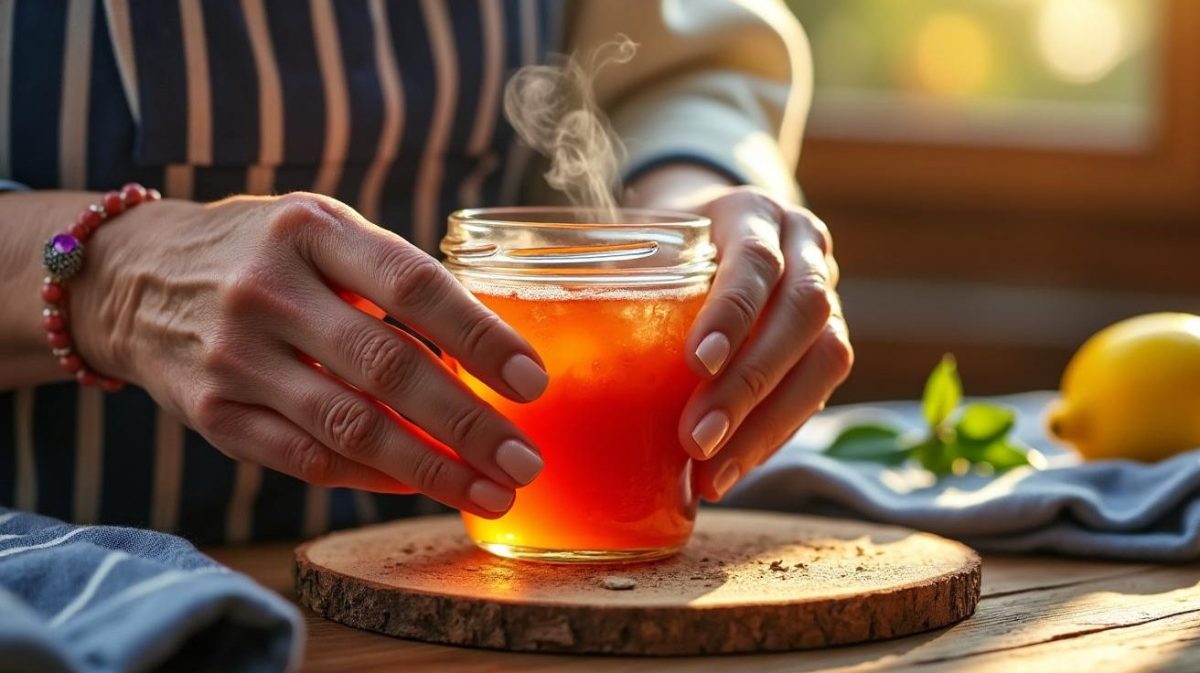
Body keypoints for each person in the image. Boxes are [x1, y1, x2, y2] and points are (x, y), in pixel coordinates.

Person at [0, 0, 851, 544]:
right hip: (55, 584)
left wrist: (692, 205)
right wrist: (106, 276)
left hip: (448, 579)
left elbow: (673, 55)